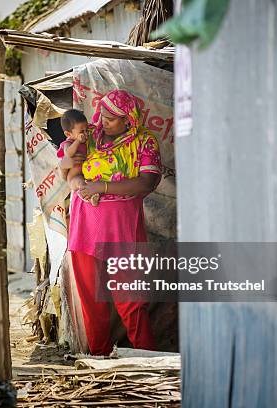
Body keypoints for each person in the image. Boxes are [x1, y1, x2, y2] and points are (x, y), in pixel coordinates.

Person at [59, 89, 162, 355]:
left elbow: (148, 181)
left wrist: (102, 187)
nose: (102, 121)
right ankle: (99, 357)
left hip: (122, 230)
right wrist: (78, 183)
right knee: (92, 301)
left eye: (112, 118)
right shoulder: (89, 136)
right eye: (102, 114)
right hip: (85, 227)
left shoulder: (144, 142)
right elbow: (69, 169)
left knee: (131, 300)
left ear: (128, 120)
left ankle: (148, 359)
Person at [57, 109, 99, 206]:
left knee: (90, 185)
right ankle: (88, 197)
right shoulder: (68, 143)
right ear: (68, 134)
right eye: (81, 131)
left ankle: (92, 197)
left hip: (84, 174)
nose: (85, 133)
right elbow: (68, 154)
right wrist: (77, 141)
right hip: (73, 177)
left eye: (86, 130)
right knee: (81, 183)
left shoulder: (87, 139)